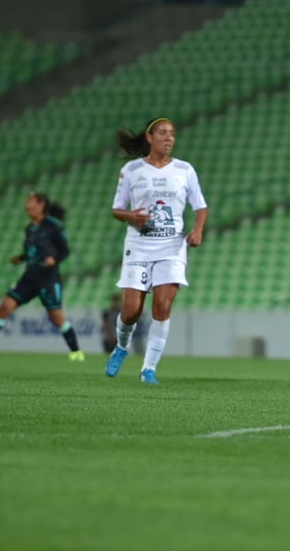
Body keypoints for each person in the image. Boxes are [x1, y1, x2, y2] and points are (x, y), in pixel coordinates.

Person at [104, 117, 207, 384]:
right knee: (130, 311)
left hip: (172, 246)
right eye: (162, 133)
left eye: (172, 133)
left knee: (162, 306)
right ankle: (122, 346)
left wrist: (197, 230)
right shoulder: (132, 170)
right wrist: (130, 216)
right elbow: (116, 209)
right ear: (149, 138)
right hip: (138, 246)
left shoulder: (184, 169)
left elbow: (200, 206)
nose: (169, 138)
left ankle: (148, 369)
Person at [0, 193, 84, 360]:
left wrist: (54, 259)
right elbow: (31, 252)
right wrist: (20, 258)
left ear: (41, 205)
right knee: (5, 305)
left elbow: (65, 250)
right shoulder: (29, 228)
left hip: (48, 278)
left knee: (56, 316)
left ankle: (76, 351)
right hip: (29, 276)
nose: (27, 205)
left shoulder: (53, 226)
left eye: (30, 201)